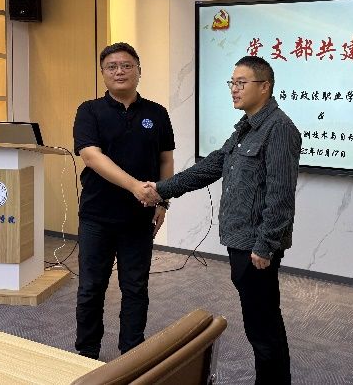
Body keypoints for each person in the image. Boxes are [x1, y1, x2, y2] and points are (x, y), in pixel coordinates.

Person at [146, 55, 301, 384]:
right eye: (232, 82)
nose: (234, 89)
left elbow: (281, 195)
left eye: (241, 83)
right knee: (259, 322)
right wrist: (160, 189)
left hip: (256, 247)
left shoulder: (279, 129)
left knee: (263, 327)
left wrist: (265, 245)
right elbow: (210, 167)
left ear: (265, 86)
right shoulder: (246, 128)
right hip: (240, 240)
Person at [73, 42, 175, 359]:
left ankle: (132, 354)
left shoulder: (157, 113)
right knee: (91, 288)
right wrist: (134, 186)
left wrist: (163, 201)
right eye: (112, 66)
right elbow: (91, 156)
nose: (120, 71)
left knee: (135, 288)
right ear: (103, 73)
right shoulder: (89, 111)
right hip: (97, 216)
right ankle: (86, 353)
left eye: (127, 65)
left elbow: (166, 160)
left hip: (139, 218)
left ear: (139, 71)